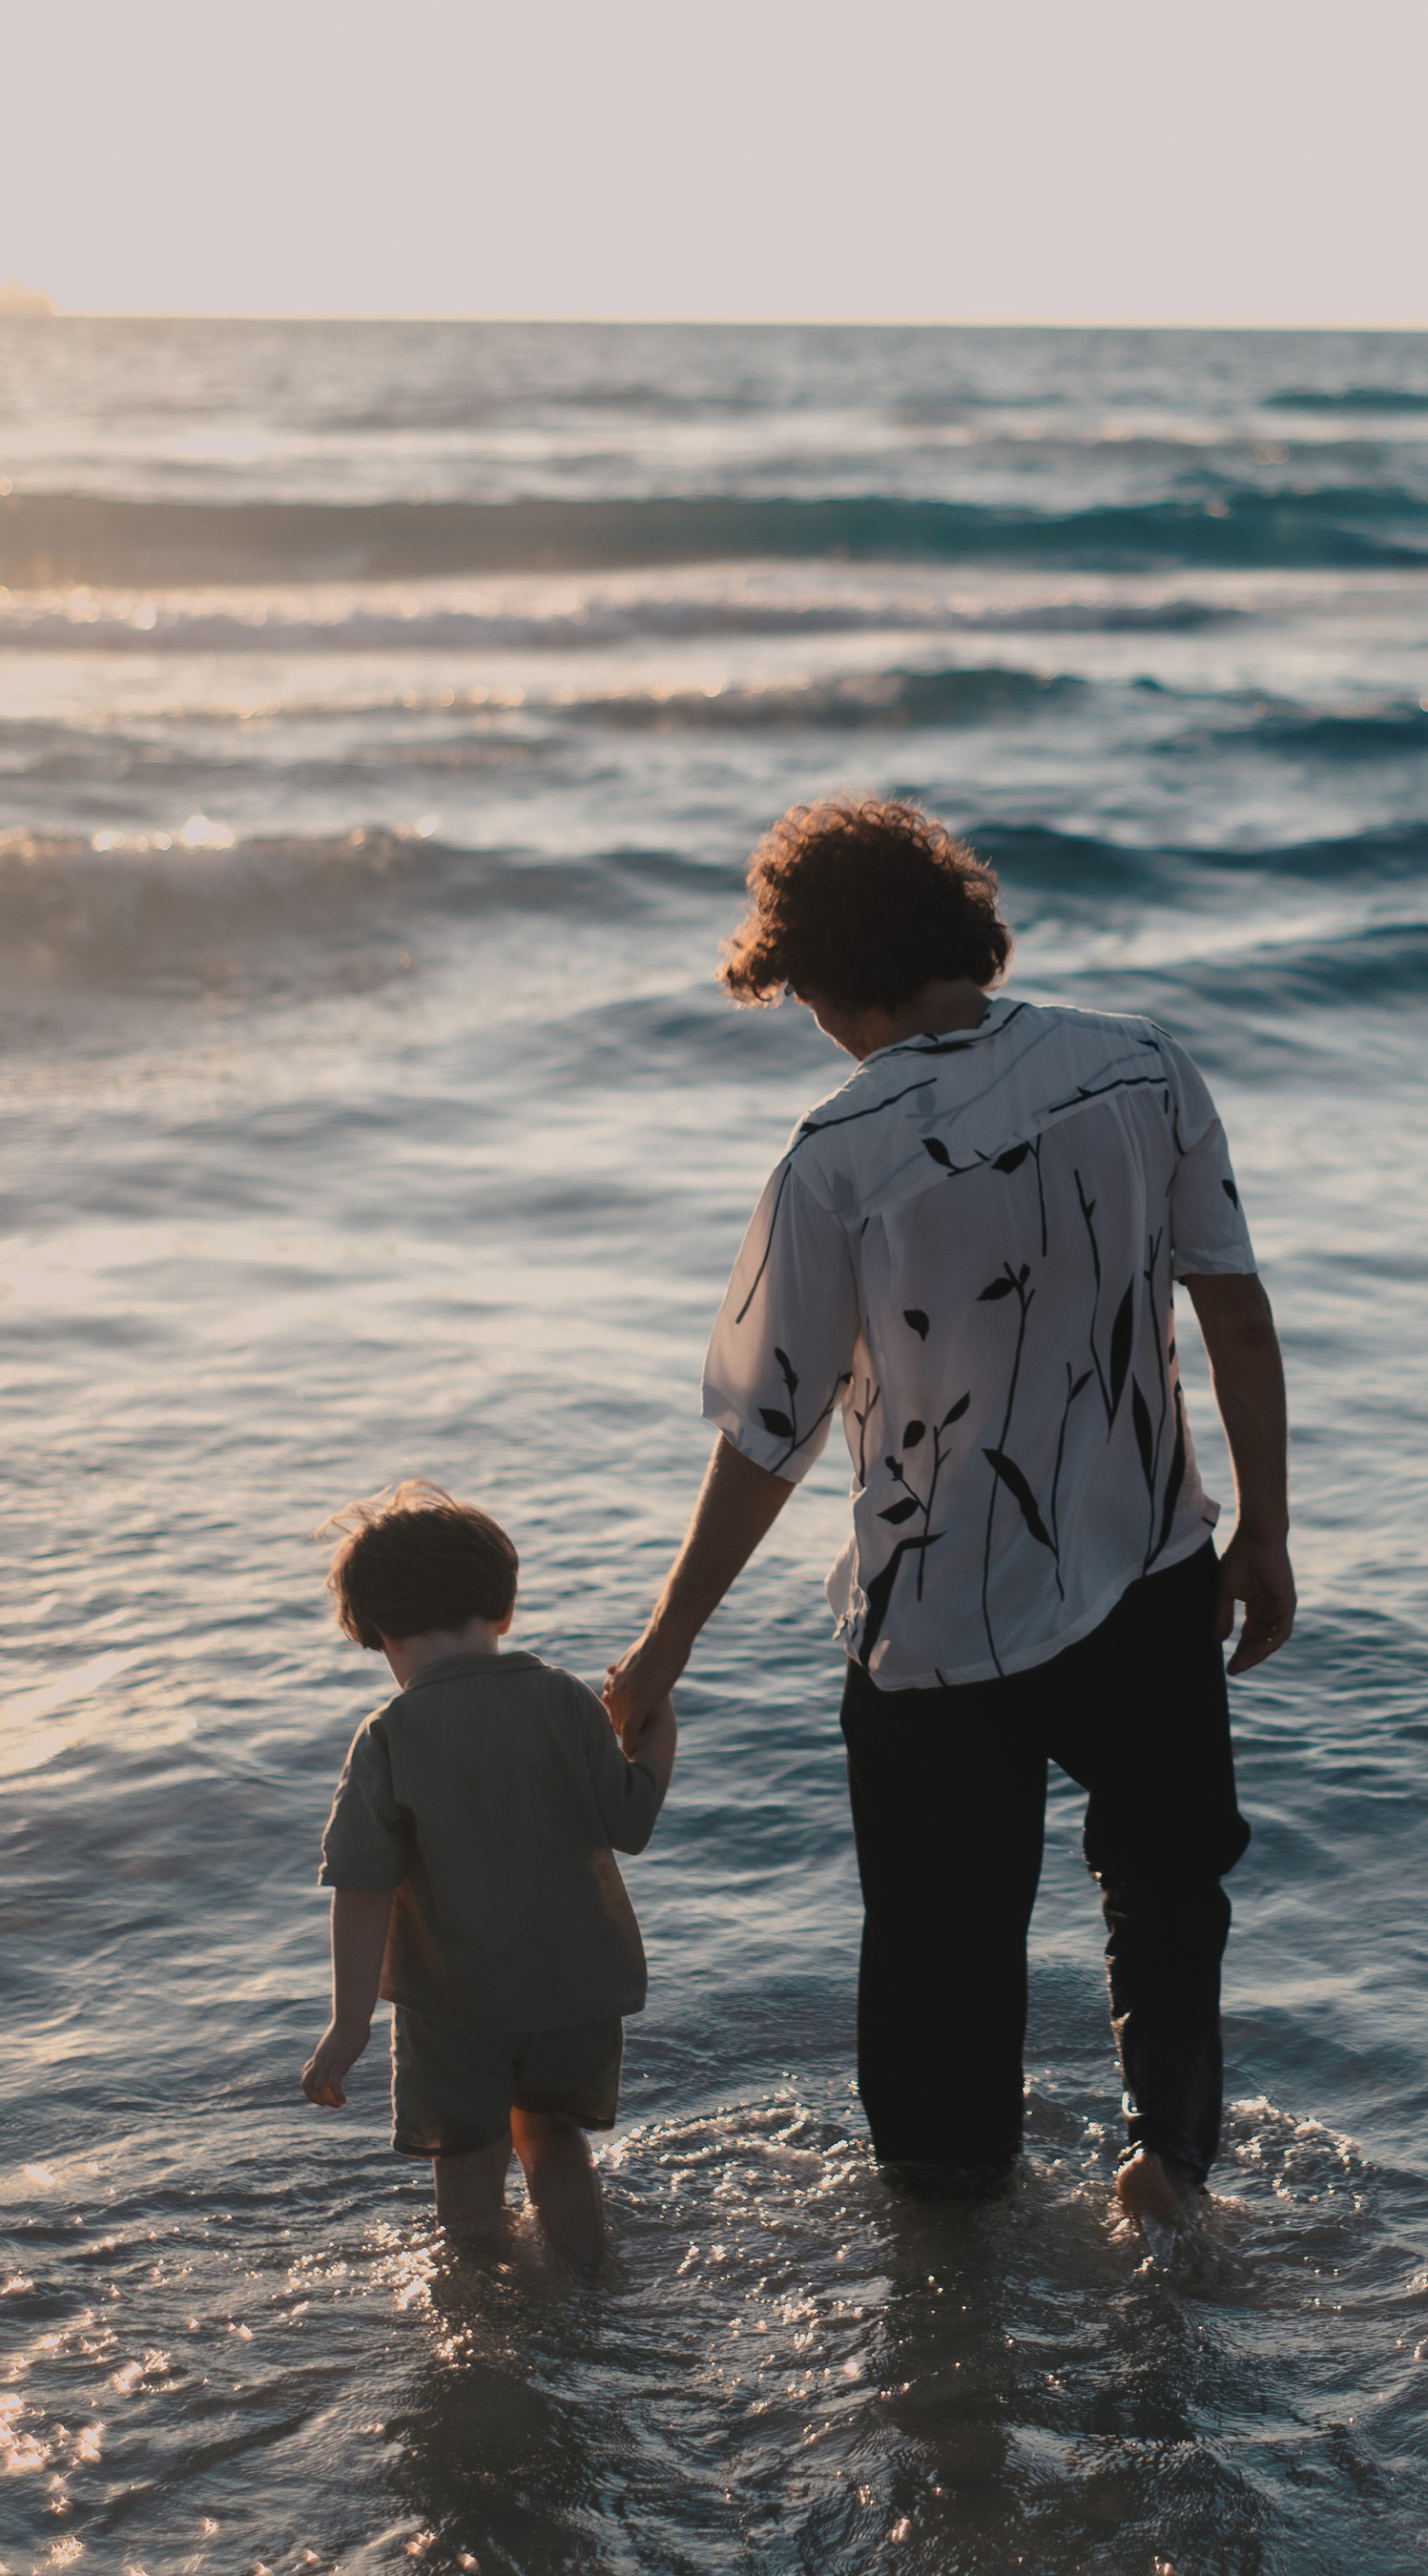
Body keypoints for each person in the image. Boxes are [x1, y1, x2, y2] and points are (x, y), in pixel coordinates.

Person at [605, 794, 1294, 2225]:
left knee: (941, 1963)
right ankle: (1167, 2163)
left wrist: (663, 1648)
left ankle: (953, 2280)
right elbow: (1233, 1311)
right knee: (1168, 1895)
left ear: (827, 972)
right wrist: (1267, 1532)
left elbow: (768, 1437)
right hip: (1152, 1567)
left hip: (936, 1628)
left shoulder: (837, 1156)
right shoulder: (1141, 1065)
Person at [304, 1484, 675, 2260]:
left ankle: (481, 2332)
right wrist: (655, 1728)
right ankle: (587, 2290)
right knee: (553, 2141)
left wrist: (349, 2023)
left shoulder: (390, 1735)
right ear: (502, 1610)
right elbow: (631, 1823)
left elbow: (362, 1887)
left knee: (470, 2168)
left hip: (456, 2009)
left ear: (374, 1633)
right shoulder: (567, 1700)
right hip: (574, 1992)